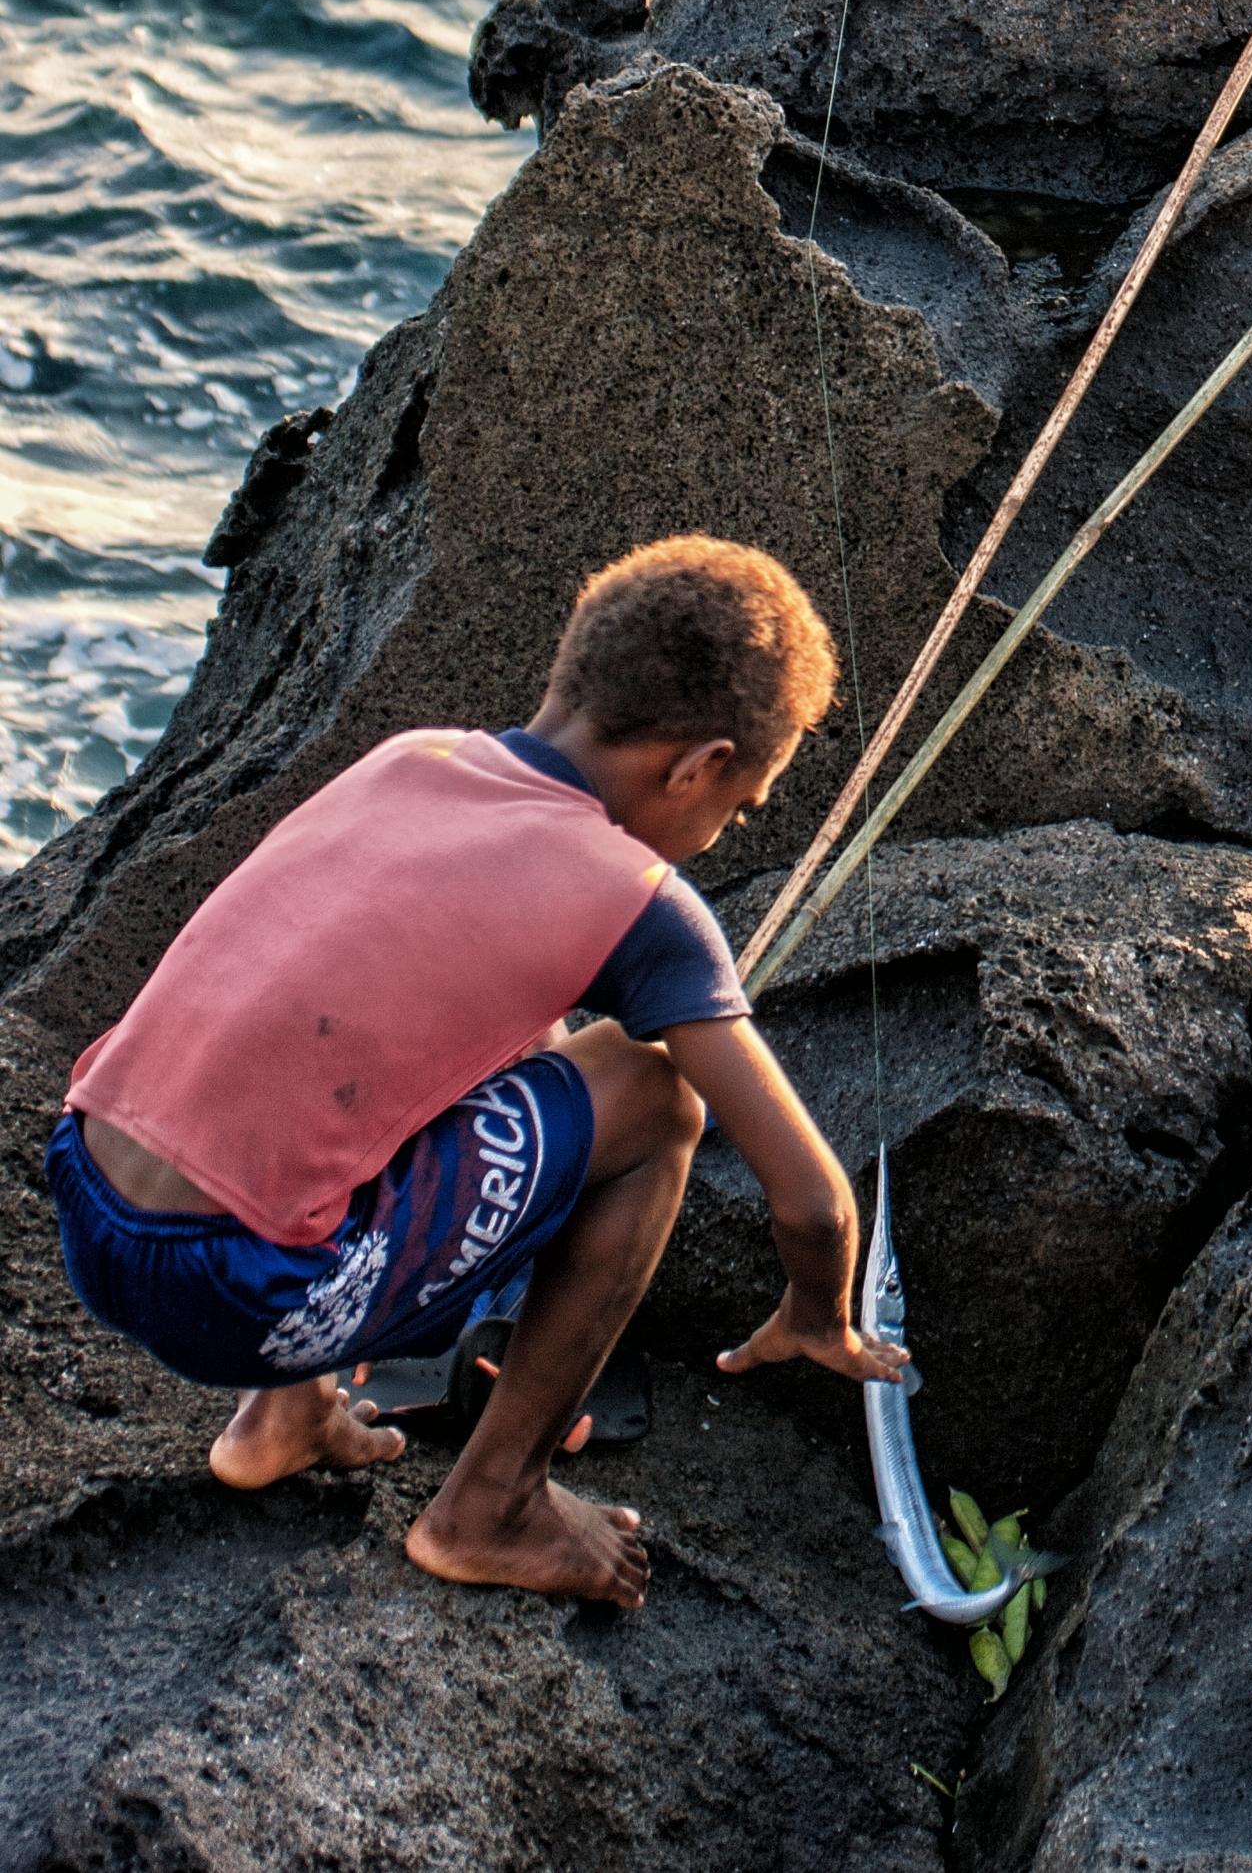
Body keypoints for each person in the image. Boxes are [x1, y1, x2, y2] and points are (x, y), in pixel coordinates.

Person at [45, 533, 905, 1609]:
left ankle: (287, 1416)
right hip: (231, 1290)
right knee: (655, 1097)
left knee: (434, 1044)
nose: (719, 834)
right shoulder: (641, 898)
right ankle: (493, 1505)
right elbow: (813, 1201)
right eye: (735, 809)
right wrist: (819, 1315)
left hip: (83, 1194)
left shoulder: (411, 760)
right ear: (697, 765)